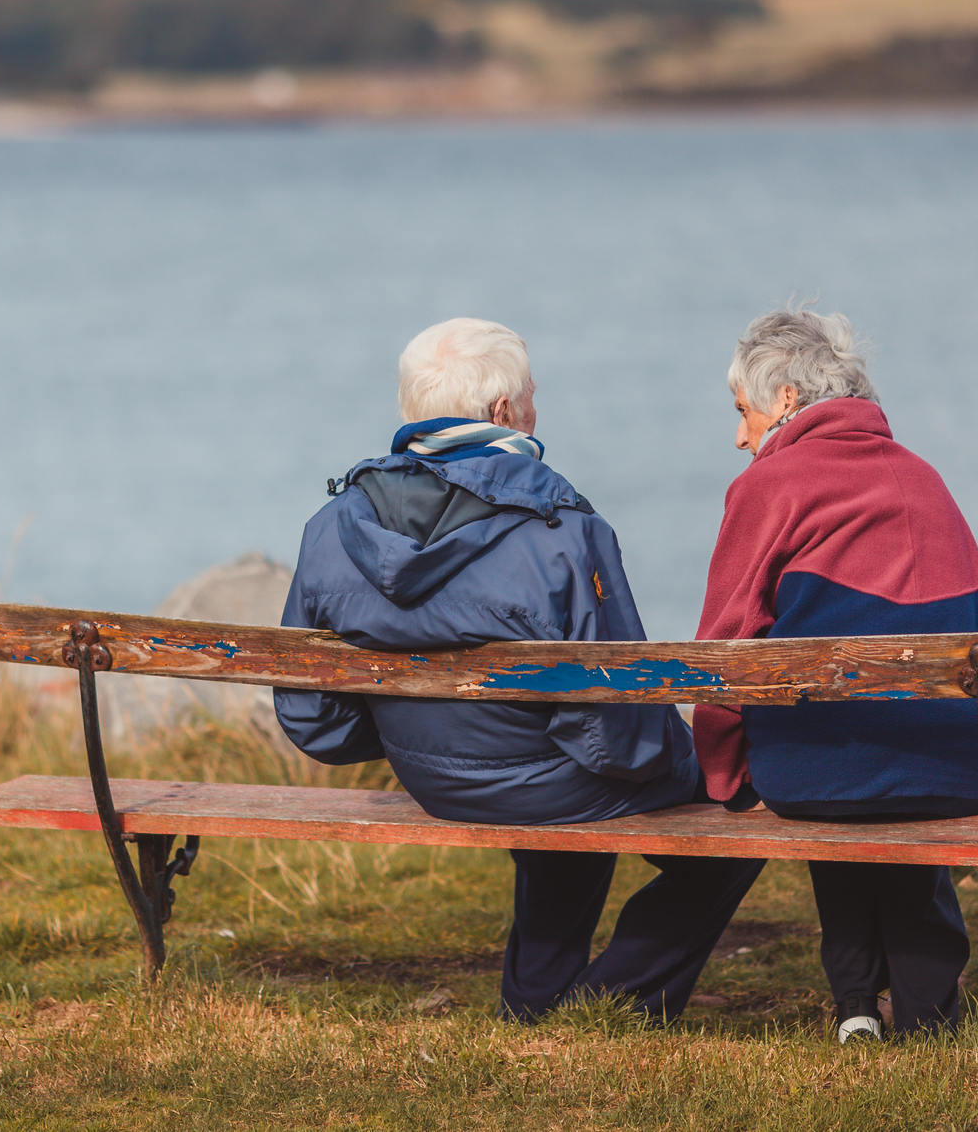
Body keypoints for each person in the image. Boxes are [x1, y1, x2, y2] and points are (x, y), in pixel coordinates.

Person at [274, 317, 764, 1023]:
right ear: (505, 413)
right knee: (734, 818)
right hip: (544, 778)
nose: (537, 408)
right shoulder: (562, 529)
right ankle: (611, 1003)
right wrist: (685, 754)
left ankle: (535, 998)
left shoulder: (334, 521)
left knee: (565, 773)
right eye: (532, 395)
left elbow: (313, 718)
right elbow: (617, 730)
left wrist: (413, 737)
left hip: (433, 776)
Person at [692, 307, 978, 1042]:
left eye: (742, 412)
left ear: (784, 402)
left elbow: (724, 653)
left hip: (820, 774)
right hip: (964, 768)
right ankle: (926, 1009)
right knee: (890, 759)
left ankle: (856, 1005)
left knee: (836, 754)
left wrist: (723, 772)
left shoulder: (769, 487)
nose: (739, 436)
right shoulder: (925, 479)